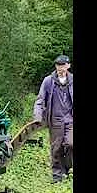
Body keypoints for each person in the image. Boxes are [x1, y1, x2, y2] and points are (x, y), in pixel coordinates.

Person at [33, 54, 73, 183]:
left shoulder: (72, 81)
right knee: (56, 147)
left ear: (68, 65)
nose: (60, 68)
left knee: (71, 144)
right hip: (55, 120)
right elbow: (40, 100)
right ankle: (57, 175)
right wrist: (38, 117)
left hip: (70, 119)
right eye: (58, 65)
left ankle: (67, 167)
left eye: (63, 65)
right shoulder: (48, 81)